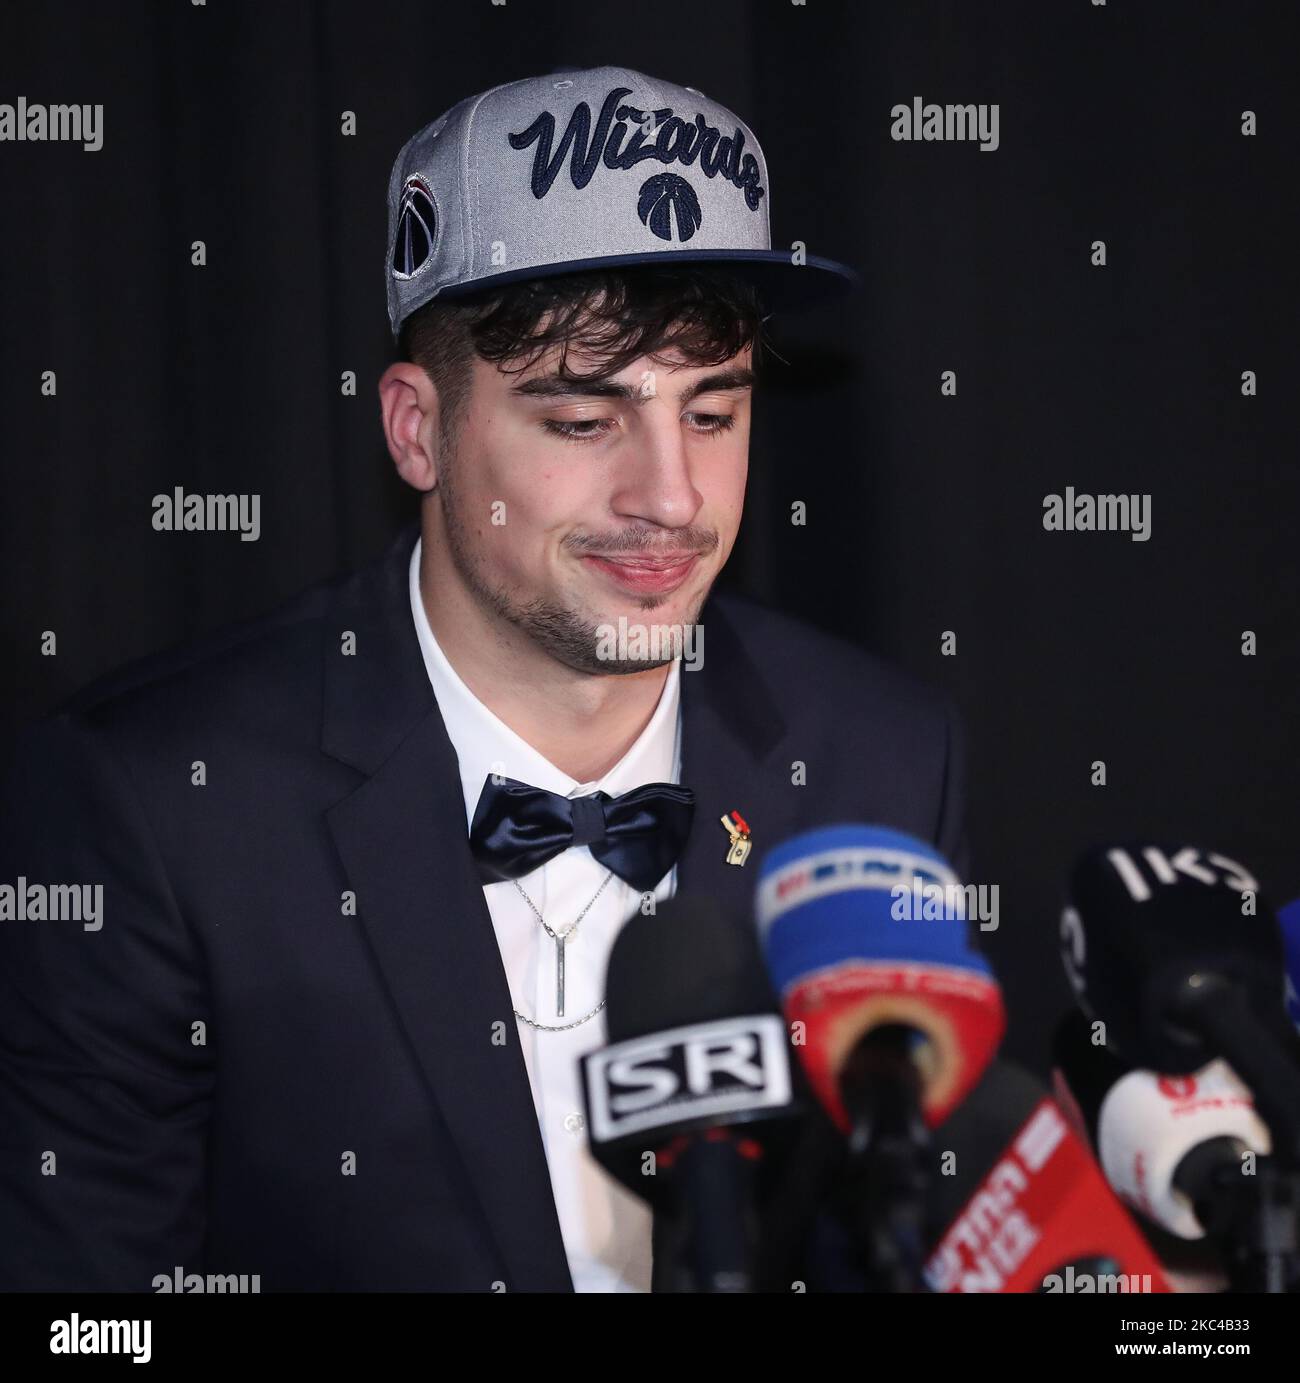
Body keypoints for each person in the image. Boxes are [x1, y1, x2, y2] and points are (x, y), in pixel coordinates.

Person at [0, 65, 968, 1292]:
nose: (669, 497)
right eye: (581, 422)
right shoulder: (152, 802)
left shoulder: (883, 755)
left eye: (711, 414)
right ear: (417, 430)